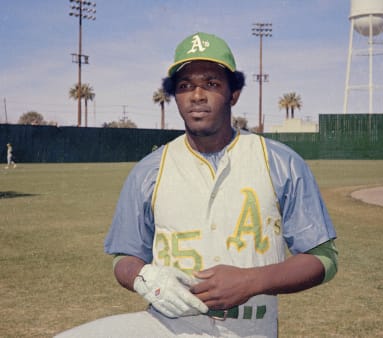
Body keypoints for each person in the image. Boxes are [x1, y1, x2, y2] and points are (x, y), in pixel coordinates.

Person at [56, 32, 338, 338]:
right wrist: (145, 277)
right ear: (175, 96)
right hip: (169, 324)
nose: (197, 95)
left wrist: (252, 281)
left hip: (250, 327)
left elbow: (323, 259)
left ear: (234, 93)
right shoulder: (149, 170)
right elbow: (124, 256)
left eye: (212, 83)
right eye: (185, 86)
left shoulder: (280, 161)